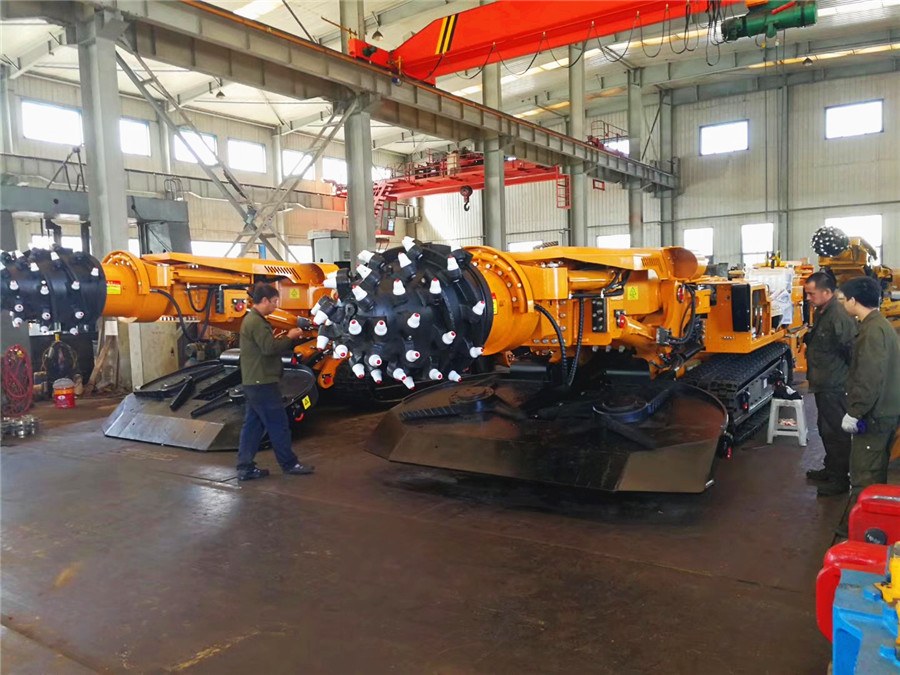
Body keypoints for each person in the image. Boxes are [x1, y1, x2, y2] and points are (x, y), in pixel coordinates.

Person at [837, 276, 900, 533]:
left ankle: (860, 531)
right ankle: (874, 523)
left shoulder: (872, 331)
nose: (842, 304)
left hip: (875, 415)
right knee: (875, 469)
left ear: (853, 301)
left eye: (843, 299)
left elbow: (869, 376)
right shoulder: (881, 325)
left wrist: (855, 411)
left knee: (865, 474)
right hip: (886, 410)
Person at [236, 282, 315, 481]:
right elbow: (269, 348)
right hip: (263, 383)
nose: (275, 306)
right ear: (264, 300)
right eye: (274, 302)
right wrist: (289, 337)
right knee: (278, 424)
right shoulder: (256, 322)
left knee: (253, 426)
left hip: (253, 381)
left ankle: (245, 467)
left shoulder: (251, 320)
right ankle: (289, 464)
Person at [802, 272, 858, 496]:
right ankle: (831, 468)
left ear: (827, 292)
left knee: (837, 433)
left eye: (811, 294)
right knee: (826, 429)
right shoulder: (822, 311)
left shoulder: (838, 316)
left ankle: (840, 480)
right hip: (824, 384)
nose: (808, 298)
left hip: (835, 386)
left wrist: (847, 380)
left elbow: (852, 351)